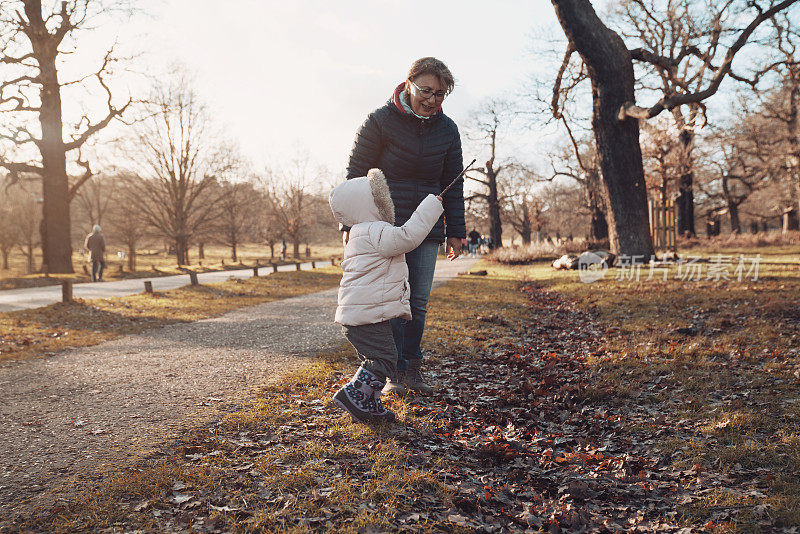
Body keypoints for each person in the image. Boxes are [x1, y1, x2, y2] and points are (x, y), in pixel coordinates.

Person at [345, 57, 465, 395]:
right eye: (426, 90)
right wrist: (350, 226)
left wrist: (456, 230)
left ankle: (411, 368)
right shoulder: (379, 121)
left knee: (418, 301)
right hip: (384, 226)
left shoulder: (448, 130)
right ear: (408, 84)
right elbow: (356, 176)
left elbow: (453, 182)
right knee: (388, 299)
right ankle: (391, 371)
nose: (432, 99)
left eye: (440, 94)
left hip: (426, 227)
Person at [329, 169, 444, 423]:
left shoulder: (359, 232)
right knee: (385, 359)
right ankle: (353, 394)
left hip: (359, 316)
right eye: (380, 199)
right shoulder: (375, 230)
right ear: (372, 204)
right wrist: (430, 207)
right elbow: (407, 237)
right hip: (367, 317)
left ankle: (369, 404)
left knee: (379, 359)